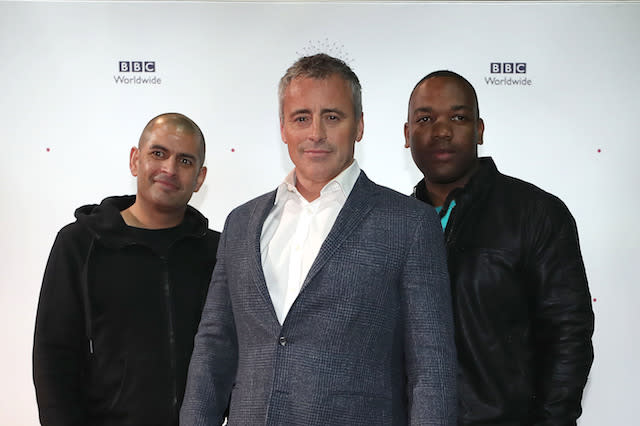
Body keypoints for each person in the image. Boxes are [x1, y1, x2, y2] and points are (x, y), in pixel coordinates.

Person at [180, 54, 457, 425]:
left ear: (358, 126)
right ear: (283, 128)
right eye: (301, 118)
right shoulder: (241, 223)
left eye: (332, 116)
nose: (315, 133)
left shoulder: (409, 224)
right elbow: (214, 348)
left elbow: (431, 368)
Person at [404, 70, 594, 425]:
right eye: (425, 118)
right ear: (407, 134)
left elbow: (568, 337)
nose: (442, 131)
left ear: (479, 130)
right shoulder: (393, 224)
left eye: (458, 118)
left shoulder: (535, 213)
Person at [33, 113, 220, 426]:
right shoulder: (79, 243)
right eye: (158, 154)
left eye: (185, 161)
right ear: (136, 160)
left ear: (199, 178)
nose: (169, 169)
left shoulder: (218, 251)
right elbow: (54, 356)